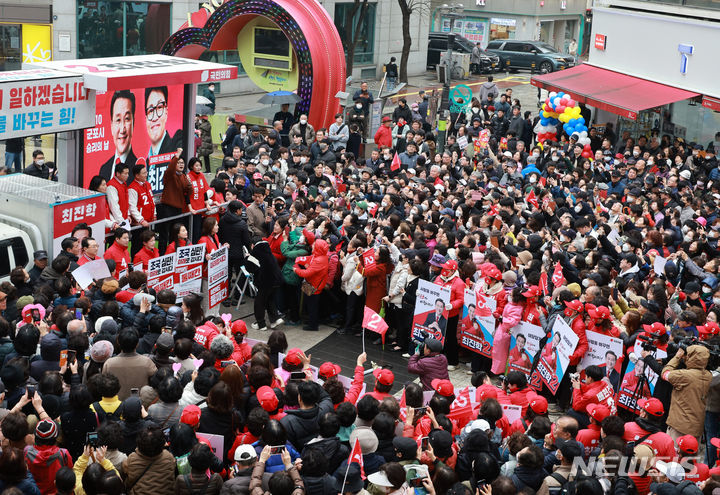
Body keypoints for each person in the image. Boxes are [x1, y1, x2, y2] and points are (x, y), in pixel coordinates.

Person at [99, 90, 137, 181]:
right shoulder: (104, 169)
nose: (122, 129)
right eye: (118, 120)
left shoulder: (138, 169)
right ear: (111, 125)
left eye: (127, 119)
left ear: (133, 123)